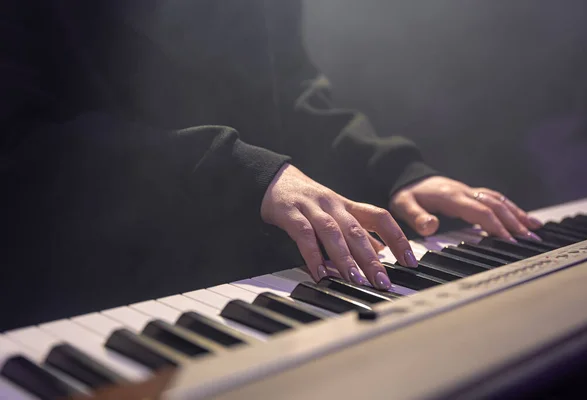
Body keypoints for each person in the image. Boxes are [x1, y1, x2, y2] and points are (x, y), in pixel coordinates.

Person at [1, 0, 541, 330]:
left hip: (253, 283)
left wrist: (397, 174)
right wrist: (243, 172)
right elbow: (21, 137)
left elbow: (296, 100)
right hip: (70, 300)